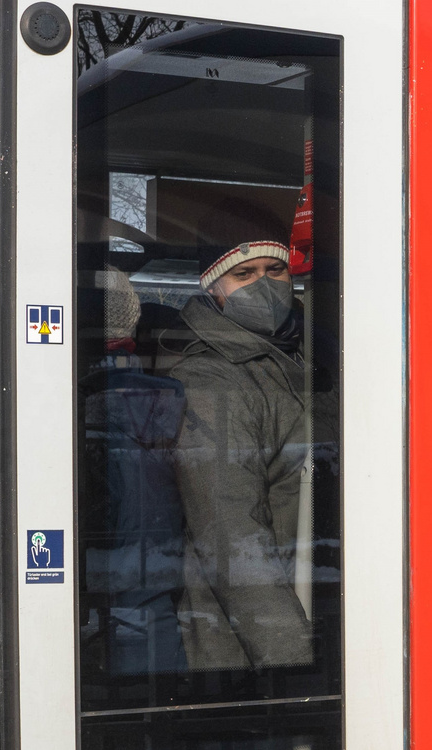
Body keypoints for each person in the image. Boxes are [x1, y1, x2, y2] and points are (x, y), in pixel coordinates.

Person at [156, 203, 316, 673]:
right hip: (244, 648)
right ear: (214, 288)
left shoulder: (304, 359)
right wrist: (292, 664)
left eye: (275, 269)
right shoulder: (211, 381)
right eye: (244, 274)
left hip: (310, 607)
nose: (264, 284)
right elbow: (230, 532)